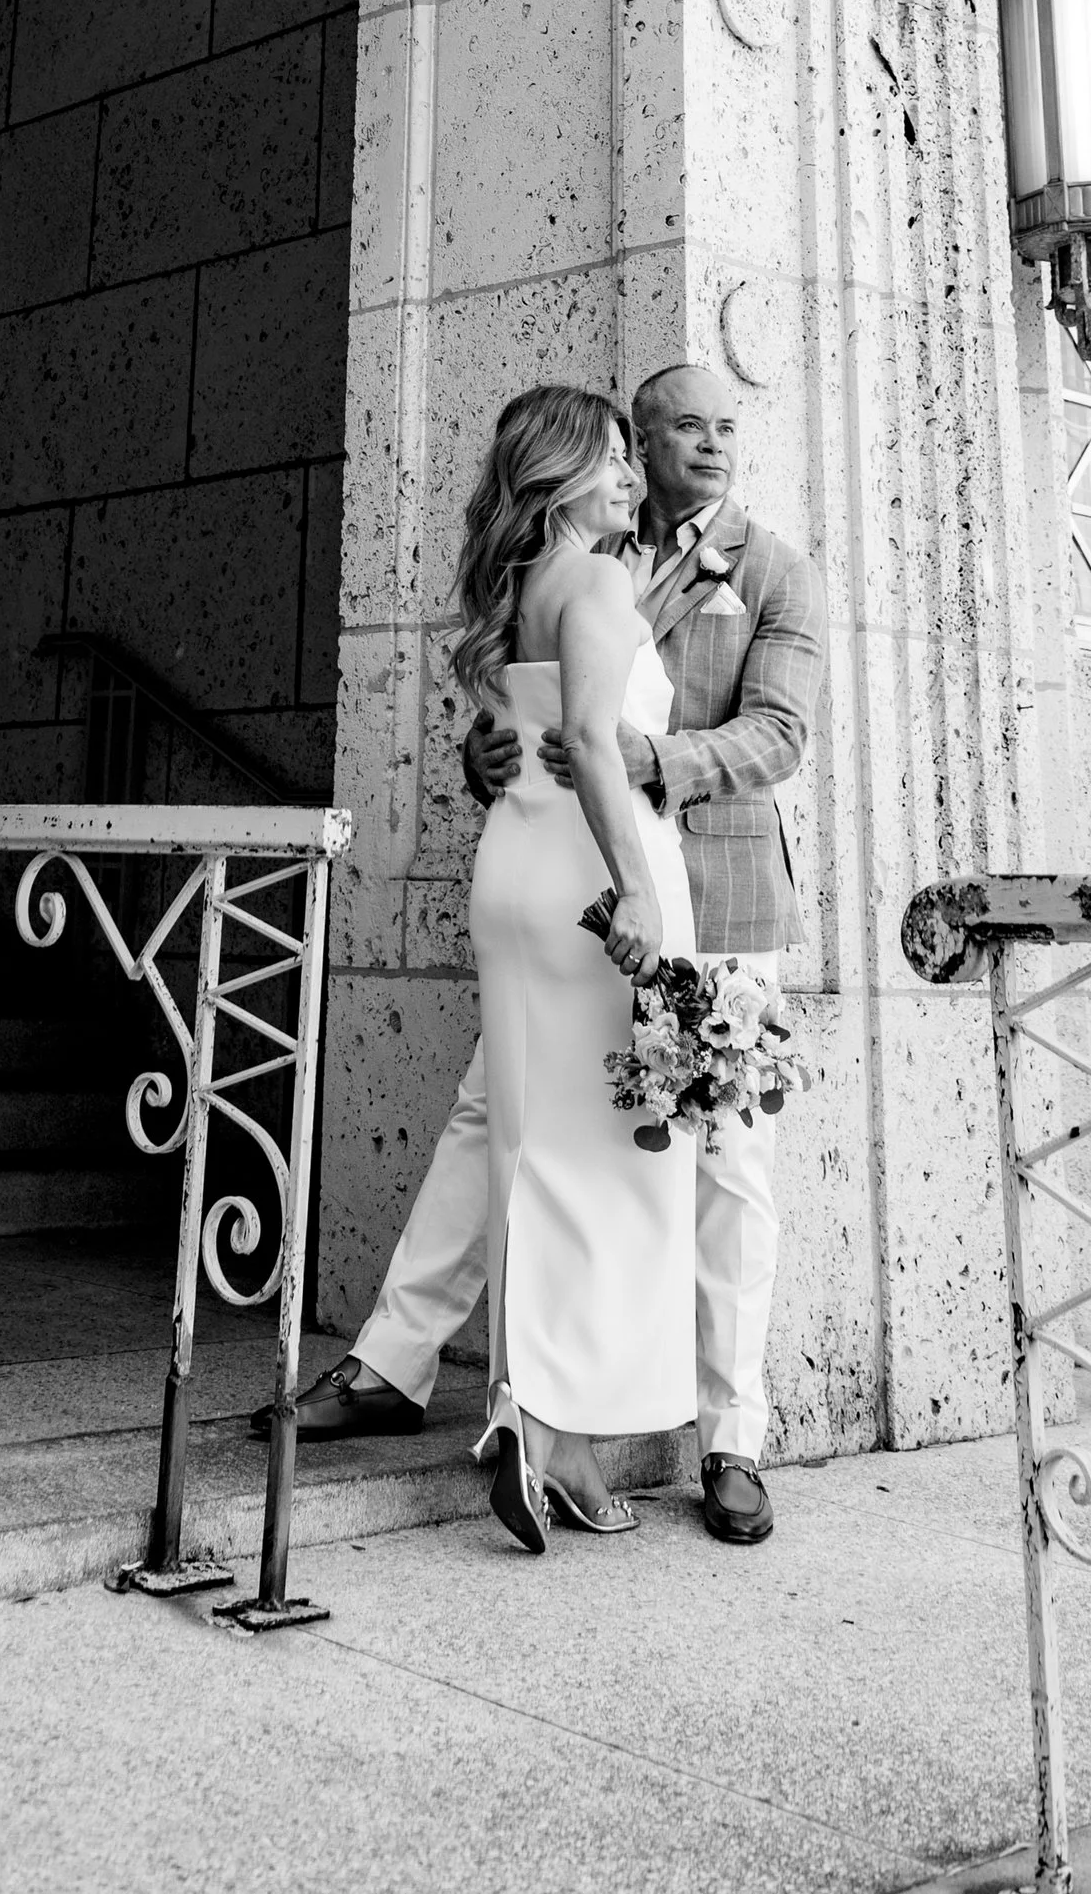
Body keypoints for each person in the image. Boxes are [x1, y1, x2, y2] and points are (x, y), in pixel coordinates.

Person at [265, 361, 825, 1548]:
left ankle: (731, 1432)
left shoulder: (770, 567)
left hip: (711, 895)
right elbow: (540, 711)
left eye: (729, 425)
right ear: (629, 440)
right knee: (504, 1124)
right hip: (597, 887)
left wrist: (643, 760)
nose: (709, 445)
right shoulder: (592, 561)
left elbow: (777, 733)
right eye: (682, 425)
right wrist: (496, 749)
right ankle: (402, 1366)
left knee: (718, 1165)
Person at [451, 382, 694, 1549]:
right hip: (590, 888)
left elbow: (514, 738)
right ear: (554, 470)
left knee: (527, 1153)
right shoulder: (596, 581)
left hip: (512, 872)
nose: (629, 478)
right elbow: (594, 742)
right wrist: (637, 888)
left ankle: (529, 1422)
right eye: (608, 460)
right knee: (614, 1166)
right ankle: (559, 1436)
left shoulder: (507, 592)